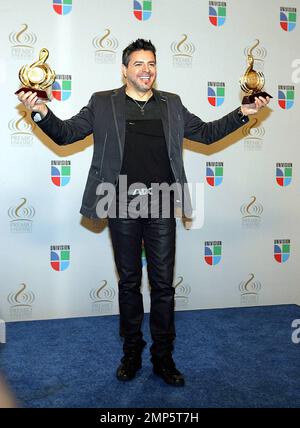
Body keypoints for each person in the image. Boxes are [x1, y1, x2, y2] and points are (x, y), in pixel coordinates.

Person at [17, 39, 270, 387]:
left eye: (150, 63)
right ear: (124, 69)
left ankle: (163, 357)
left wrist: (244, 114)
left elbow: (208, 134)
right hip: (119, 202)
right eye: (138, 64)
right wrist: (41, 112)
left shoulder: (172, 104)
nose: (145, 70)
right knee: (130, 283)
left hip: (162, 202)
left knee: (164, 285)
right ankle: (132, 352)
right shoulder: (102, 103)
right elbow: (66, 135)